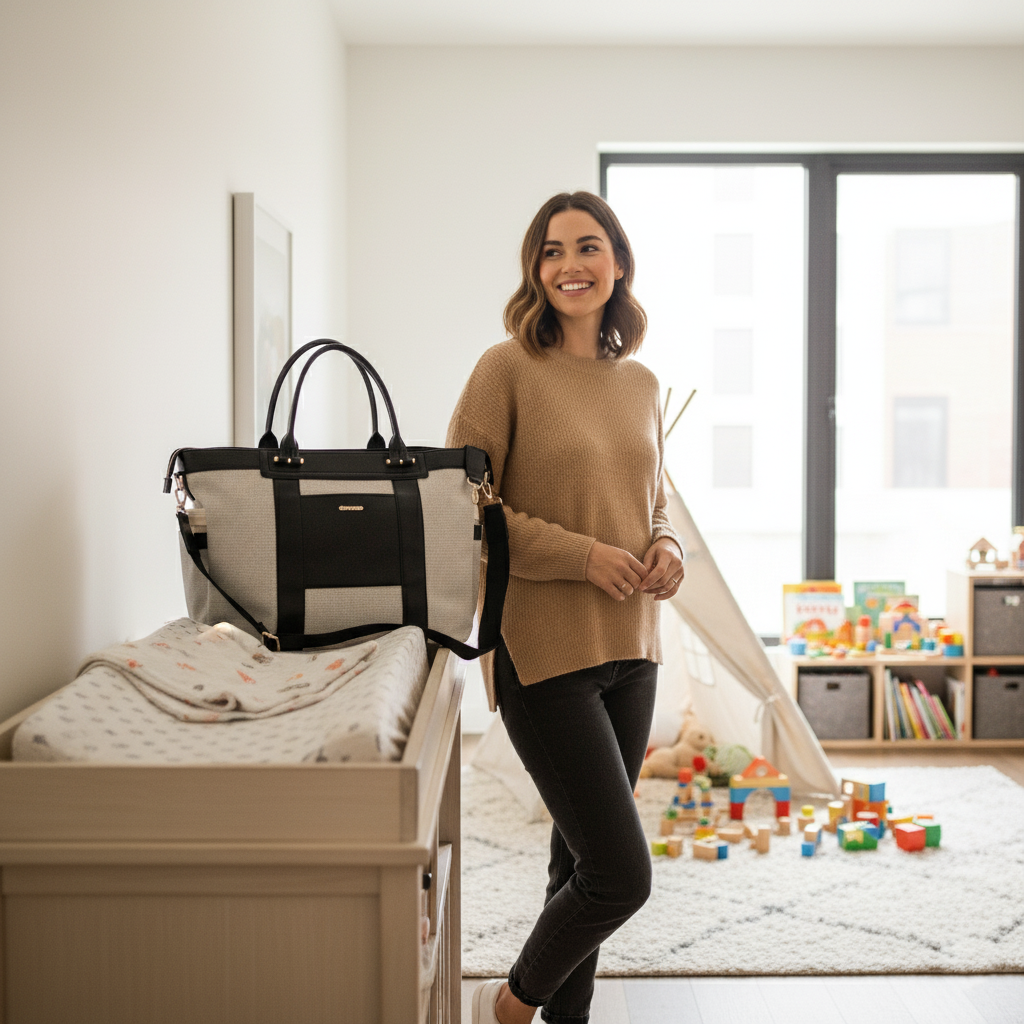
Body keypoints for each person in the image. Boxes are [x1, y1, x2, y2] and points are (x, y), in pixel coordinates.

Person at [448, 191, 684, 1024]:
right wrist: (586, 556)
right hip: (541, 648)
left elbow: (654, 498)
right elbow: (463, 507)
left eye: (588, 247)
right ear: (534, 270)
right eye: (551, 251)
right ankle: (513, 1002)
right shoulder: (505, 368)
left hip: (634, 645)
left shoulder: (643, 381)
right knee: (623, 876)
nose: (569, 265)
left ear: (618, 263)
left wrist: (669, 548)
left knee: (578, 867)